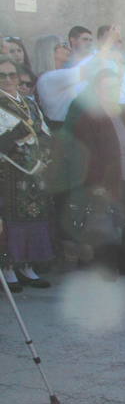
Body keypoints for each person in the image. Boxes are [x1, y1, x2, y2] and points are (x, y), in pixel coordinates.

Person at [64, 69, 125, 277]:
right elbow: (85, 154)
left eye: (116, 86)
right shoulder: (89, 118)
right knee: (107, 225)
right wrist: (95, 183)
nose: (113, 91)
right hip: (107, 180)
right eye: (107, 87)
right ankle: (105, 267)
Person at [0, 57, 55, 288]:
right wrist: (15, 135)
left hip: (34, 172)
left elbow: (44, 132)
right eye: (2, 75)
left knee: (34, 219)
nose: (8, 79)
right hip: (7, 173)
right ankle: (8, 268)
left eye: (12, 75)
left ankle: (27, 266)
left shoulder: (30, 104)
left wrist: (44, 156)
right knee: (11, 221)